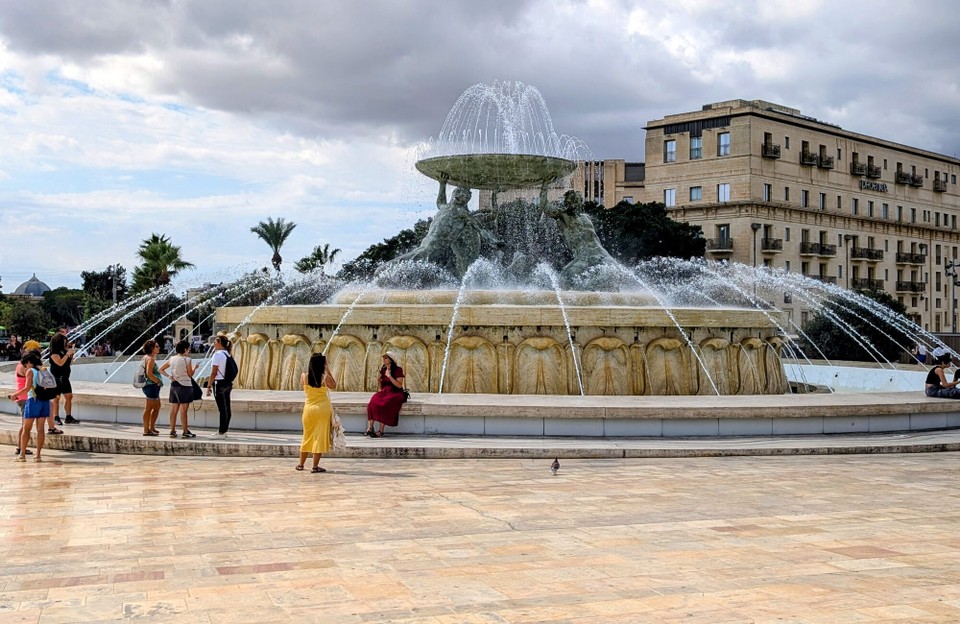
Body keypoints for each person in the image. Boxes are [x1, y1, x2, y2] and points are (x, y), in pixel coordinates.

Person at [539, 184, 618, 286]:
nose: (574, 205)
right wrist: (545, 186)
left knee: (616, 272)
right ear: (567, 204)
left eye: (577, 201)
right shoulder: (563, 216)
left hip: (601, 254)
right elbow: (545, 207)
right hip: (582, 257)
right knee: (566, 278)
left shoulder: (586, 218)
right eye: (571, 202)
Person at [297, 352, 337, 473]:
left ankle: (301, 464)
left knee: (307, 436)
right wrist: (328, 370)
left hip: (308, 410)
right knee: (319, 437)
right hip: (322, 410)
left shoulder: (304, 376)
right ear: (322, 364)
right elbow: (334, 385)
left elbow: (303, 386)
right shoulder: (324, 377)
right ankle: (315, 466)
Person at [8, 352, 48, 462]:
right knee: (40, 429)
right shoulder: (44, 370)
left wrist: (14, 395)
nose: (25, 367)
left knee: (26, 428)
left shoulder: (31, 371)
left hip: (33, 400)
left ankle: (22, 455)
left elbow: (27, 388)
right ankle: (38, 455)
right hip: (45, 402)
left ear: (29, 362)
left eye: (25, 364)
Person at [159, 340, 196, 438]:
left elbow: (160, 369)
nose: (189, 350)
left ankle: (172, 430)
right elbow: (190, 374)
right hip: (185, 386)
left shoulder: (172, 358)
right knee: (184, 410)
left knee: (174, 410)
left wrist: (169, 376)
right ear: (185, 349)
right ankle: (185, 431)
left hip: (174, 385)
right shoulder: (187, 359)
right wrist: (195, 368)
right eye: (188, 349)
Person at [365, 351, 406, 437]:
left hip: (396, 393)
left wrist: (390, 376)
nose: (383, 359)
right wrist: (379, 380)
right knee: (373, 401)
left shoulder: (398, 370)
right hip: (385, 391)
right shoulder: (383, 370)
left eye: (385, 357)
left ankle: (381, 430)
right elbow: (380, 388)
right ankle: (370, 427)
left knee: (384, 404)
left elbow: (399, 385)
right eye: (383, 357)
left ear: (391, 360)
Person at [206, 335, 234, 437]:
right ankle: (224, 430)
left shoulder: (217, 355)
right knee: (227, 407)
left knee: (222, 409)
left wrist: (209, 386)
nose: (213, 344)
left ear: (219, 343)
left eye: (215, 342)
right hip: (227, 383)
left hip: (219, 383)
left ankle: (221, 432)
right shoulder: (228, 354)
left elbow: (213, 373)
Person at [49, 333, 79, 426]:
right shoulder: (54, 353)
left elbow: (68, 363)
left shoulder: (63, 351)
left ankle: (68, 416)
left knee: (69, 396)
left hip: (65, 378)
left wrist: (71, 356)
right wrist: (67, 354)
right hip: (56, 378)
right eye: (64, 341)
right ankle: (56, 417)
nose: (66, 343)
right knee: (56, 399)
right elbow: (60, 363)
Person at [140, 339, 165, 436]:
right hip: (152, 386)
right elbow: (149, 374)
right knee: (149, 408)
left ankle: (152, 427)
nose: (159, 348)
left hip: (151, 386)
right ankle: (147, 430)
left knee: (157, 407)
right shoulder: (150, 359)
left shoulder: (146, 357)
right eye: (157, 347)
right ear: (151, 348)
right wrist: (157, 381)